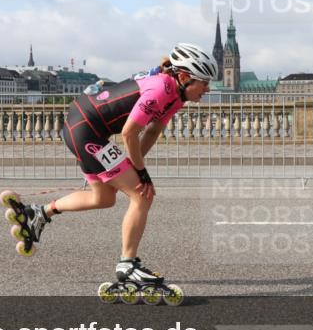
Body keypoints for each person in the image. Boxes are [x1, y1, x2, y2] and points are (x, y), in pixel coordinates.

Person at [12, 43, 216, 285]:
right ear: (183, 77)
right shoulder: (161, 89)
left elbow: (152, 132)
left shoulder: (176, 97)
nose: (208, 88)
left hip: (88, 129)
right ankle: (128, 265)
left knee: (104, 198)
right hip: (86, 130)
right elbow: (130, 133)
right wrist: (140, 172)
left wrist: (134, 165)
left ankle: (39, 213)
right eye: (204, 82)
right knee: (142, 195)